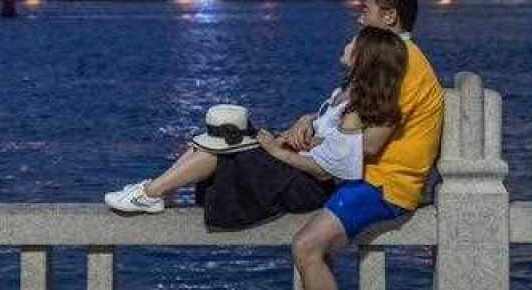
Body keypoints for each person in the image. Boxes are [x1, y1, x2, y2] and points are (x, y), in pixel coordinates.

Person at [284, 0, 445, 290]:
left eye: (366, 10)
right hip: (362, 173)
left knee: (306, 246)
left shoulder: (402, 60)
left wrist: (311, 142)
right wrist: (310, 123)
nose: (359, 17)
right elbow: (346, 122)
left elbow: (368, 142)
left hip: (384, 183)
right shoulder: (389, 55)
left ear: (389, 16)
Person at [103, 26, 408, 234]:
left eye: (354, 42)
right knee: (220, 135)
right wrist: (303, 126)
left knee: (225, 150)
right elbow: (326, 145)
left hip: (308, 187)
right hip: (296, 169)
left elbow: (333, 168)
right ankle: (155, 192)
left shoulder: (354, 110)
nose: (347, 44)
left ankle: (149, 193)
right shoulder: (343, 92)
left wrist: (277, 149)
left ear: (364, 56)